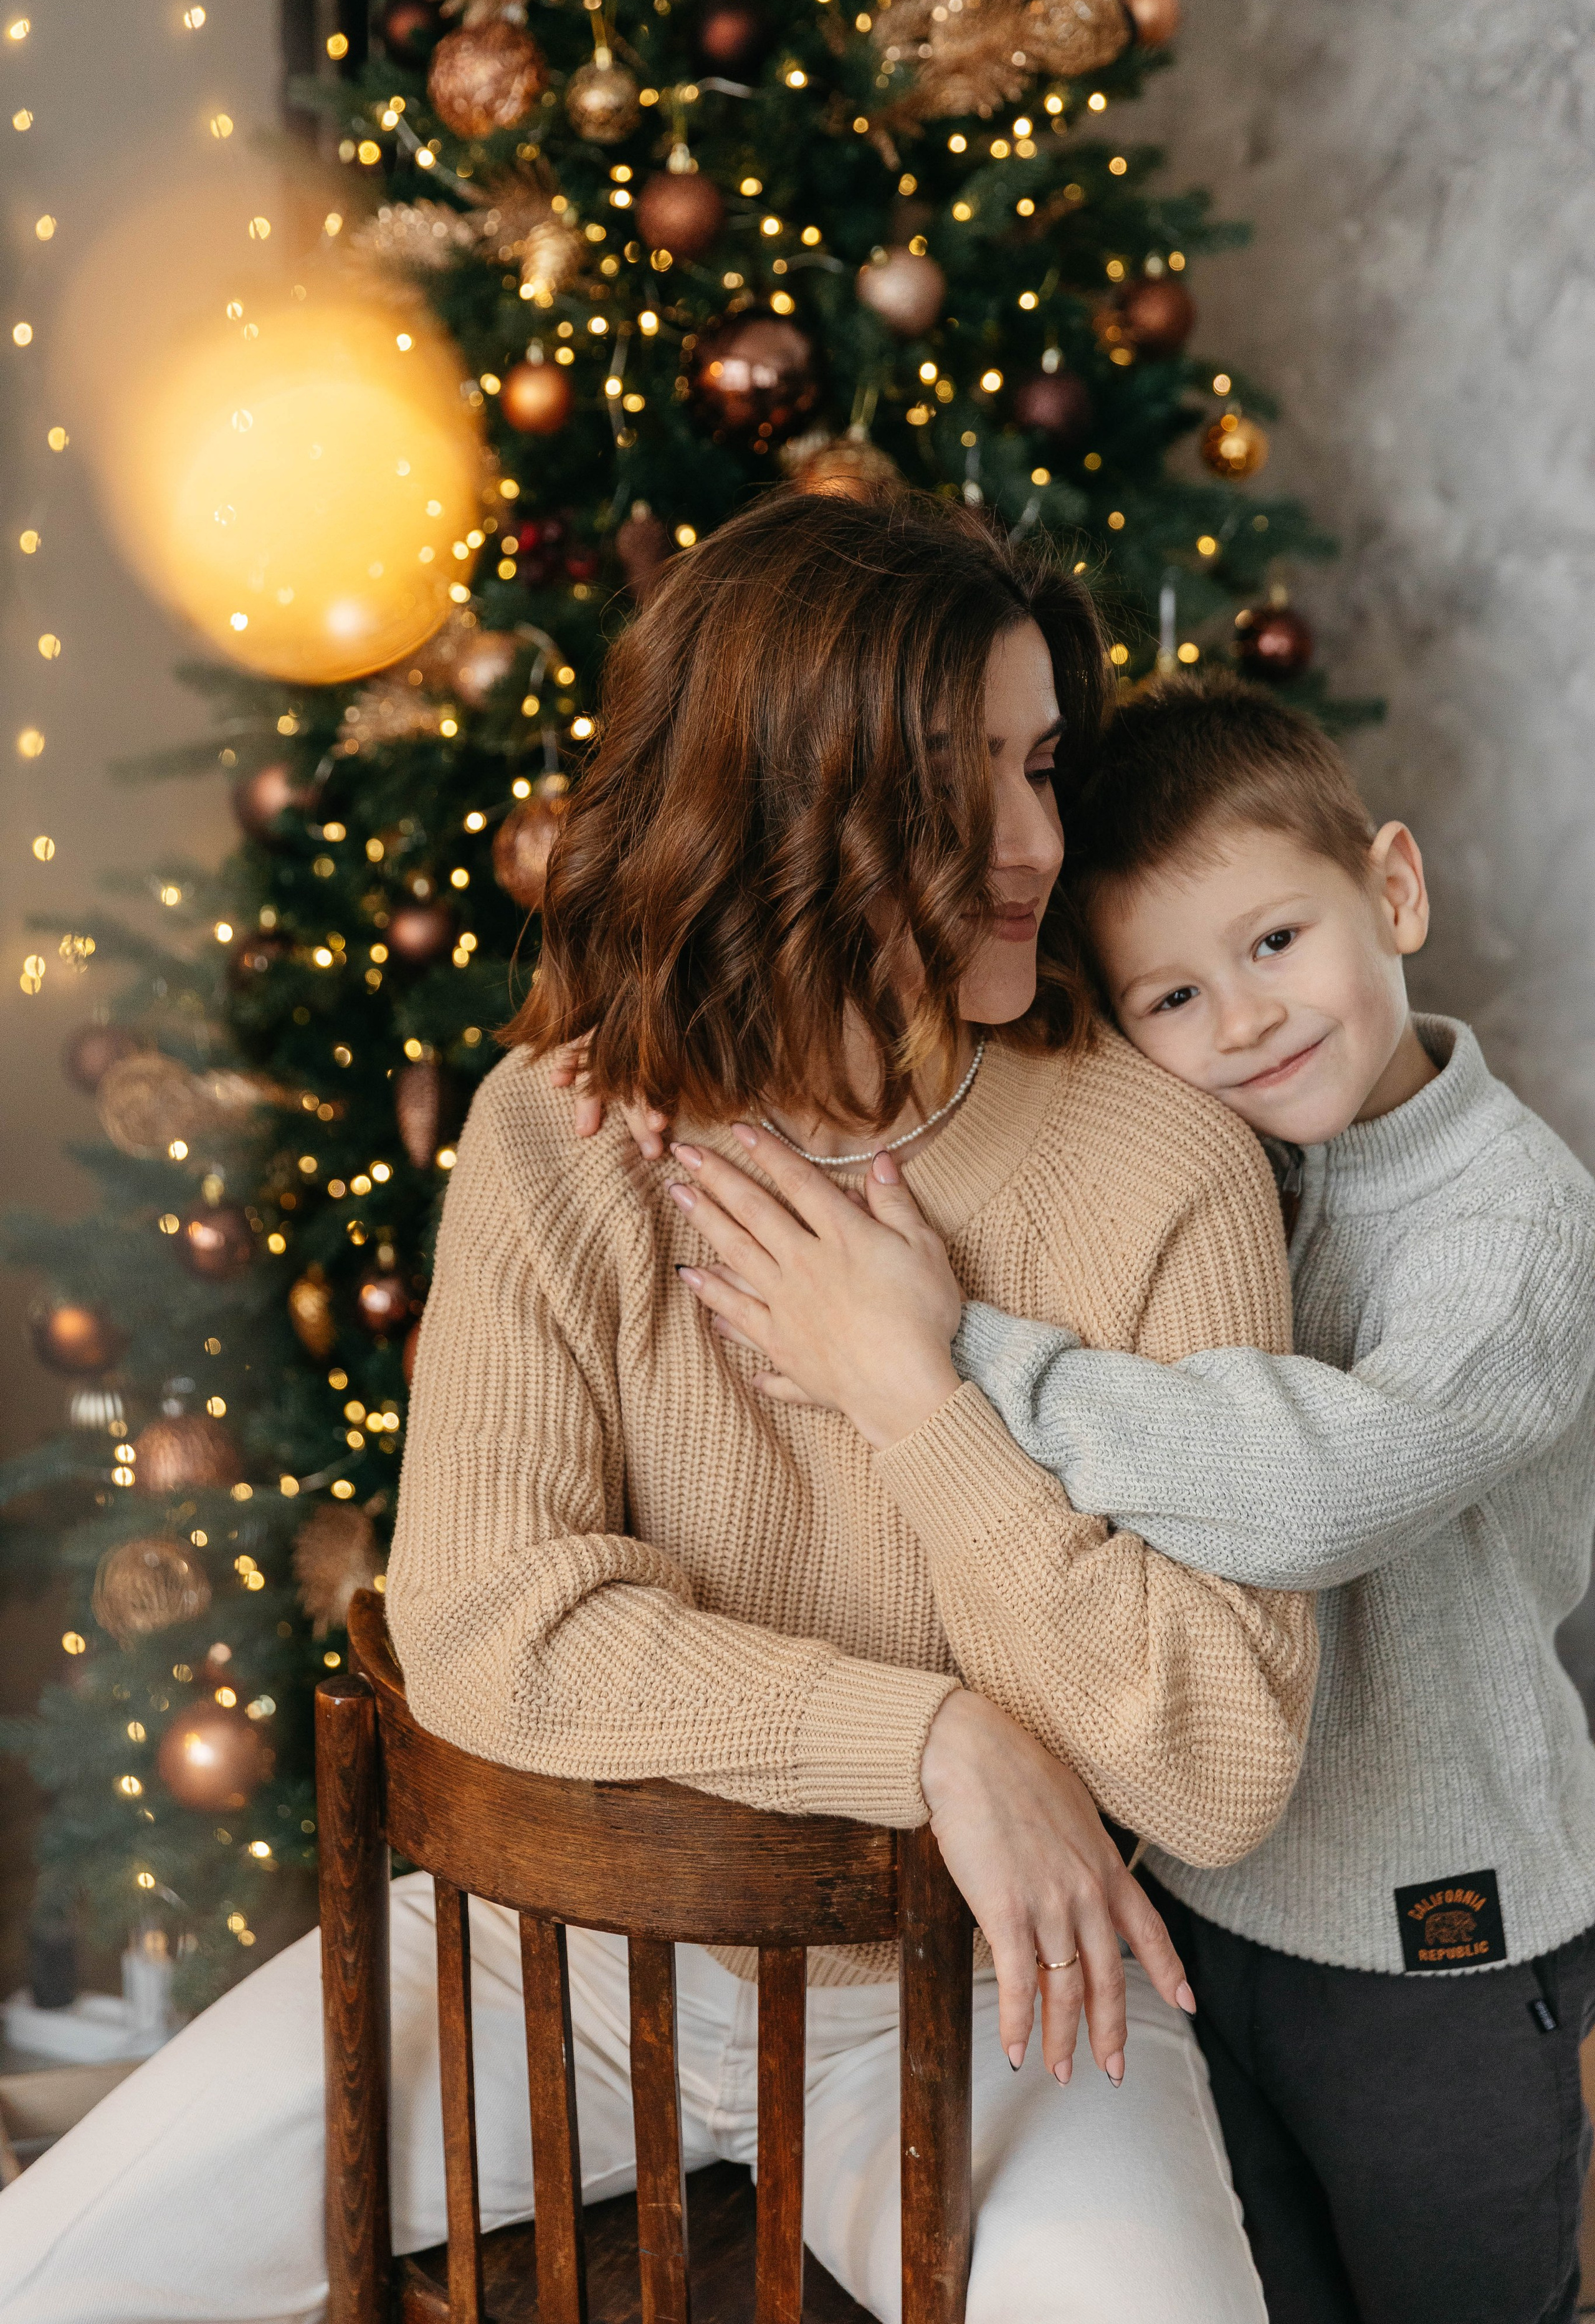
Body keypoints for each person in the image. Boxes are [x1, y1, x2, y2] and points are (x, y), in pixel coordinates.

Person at [0, 500, 1315, 2324]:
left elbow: (1217, 1761)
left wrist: (916, 1404)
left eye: (1039, 767)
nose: (1034, 844)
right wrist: (934, 1737)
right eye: (958, 784)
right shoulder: (564, 1133)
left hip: (991, 1994)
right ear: (784, 800)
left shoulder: (1167, 1170)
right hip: (545, 1969)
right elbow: (487, 1621)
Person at [659, 676, 1595, 2324]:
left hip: (1433, 1929)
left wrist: (945, 1352)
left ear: (1393, 890)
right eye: (1173, 993)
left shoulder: (1518, 1233)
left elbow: (1316, 1489)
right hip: (1207, 1905)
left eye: (1277, 942)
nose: (1244, 1021)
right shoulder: (1232, 1169)